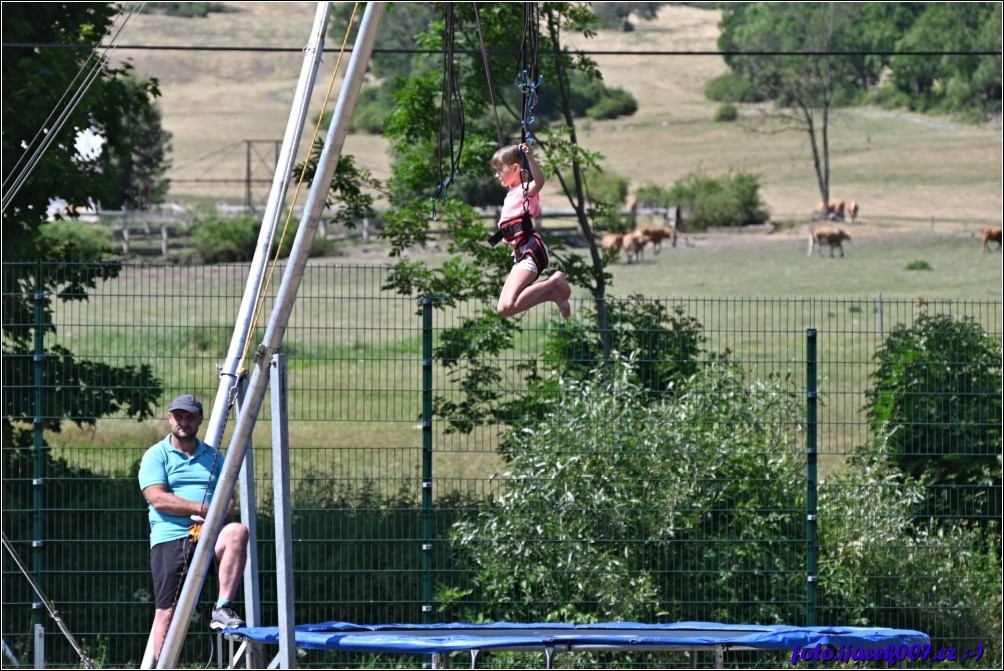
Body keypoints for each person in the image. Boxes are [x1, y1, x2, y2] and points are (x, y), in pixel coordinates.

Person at [138, 394, 249, 663]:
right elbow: (157, 498)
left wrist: (217, 516)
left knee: (237, 531)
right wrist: (201, 509)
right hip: (171, 537)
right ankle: (165, 664)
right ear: (169, 418)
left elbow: (230, 500)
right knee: (167, 612)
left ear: (199, 420)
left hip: (210, 535)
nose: (183, 422)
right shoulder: (156, 455)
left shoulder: (213, 457)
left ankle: (222, 607)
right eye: (179, 416)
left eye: (189, 417)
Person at [489, 142, 571, 319]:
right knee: (504, 309)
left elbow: (540, 182)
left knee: (510, 304)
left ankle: (553, 282)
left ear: (516, 168)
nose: (497, 175)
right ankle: (551, 294)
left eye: (500, 170)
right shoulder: (512, 193)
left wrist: (531, 158)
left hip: (530, 250)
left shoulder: (524, 191)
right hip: (521, 254)